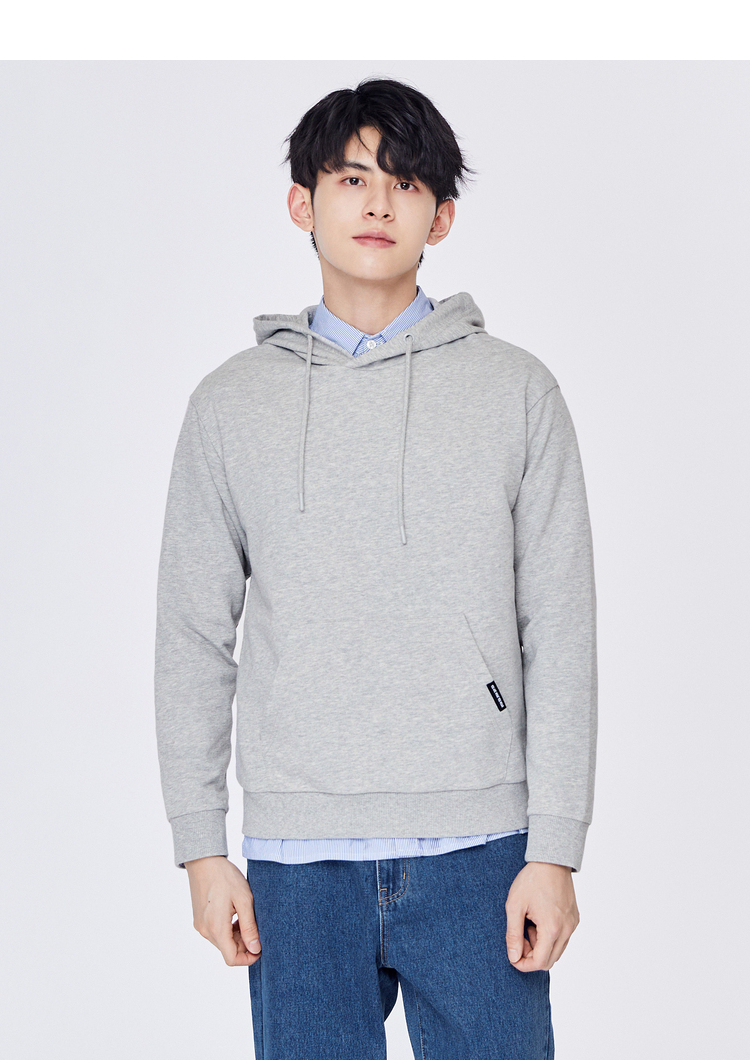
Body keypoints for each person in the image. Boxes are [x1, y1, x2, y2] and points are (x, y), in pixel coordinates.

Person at [155, 75, 597, 1060]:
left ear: (441, 217)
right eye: (352, 178)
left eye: (405, 182)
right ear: (301, 204)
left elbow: (561, 627)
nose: (378, 203)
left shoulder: (517, 391)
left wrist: (556, 848)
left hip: (482, 850)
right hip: (297, 860)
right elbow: (192, 632)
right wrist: (200, 846)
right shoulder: (230, 405)